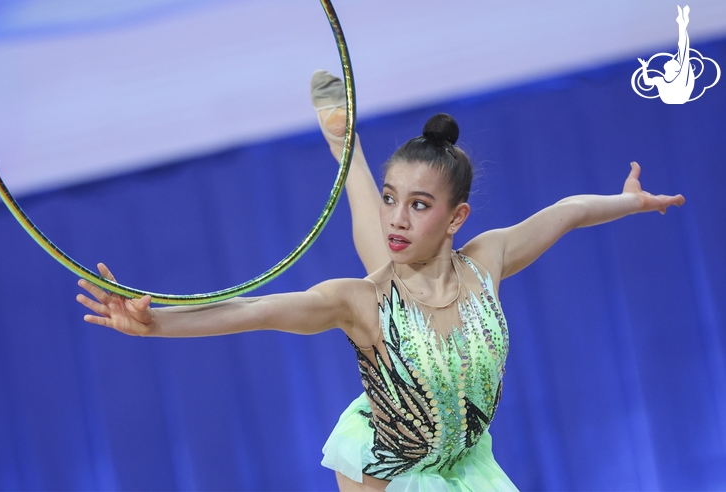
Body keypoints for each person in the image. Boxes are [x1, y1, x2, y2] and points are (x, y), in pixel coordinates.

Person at [76, 71, 685, 491]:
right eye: (393, 198)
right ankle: (346, 146)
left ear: (458, 218)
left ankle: (347, 144)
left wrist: (627, 202)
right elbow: (252, 311)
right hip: (386, 474)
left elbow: (566, 211)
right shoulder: (360, 303)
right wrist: (158, 324)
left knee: (390, 256)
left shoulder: (486, 260)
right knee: (386, 268)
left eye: (420, 204)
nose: (399, 215)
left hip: (462, 466)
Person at [638, 5, 694, 104]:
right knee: (682, 50)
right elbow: (647, 82)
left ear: (675, 69)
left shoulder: (679, 77)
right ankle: (682, 23)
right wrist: (644, 67)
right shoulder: (661, 80)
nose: (670, 59)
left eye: (673, 61)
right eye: (673, 60)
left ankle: (682, 23)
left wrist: (682, 25)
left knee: (683, 49)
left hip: (678, 97)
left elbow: (683, 48)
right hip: (675, 98)